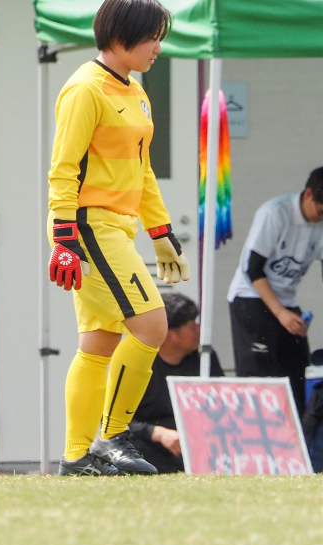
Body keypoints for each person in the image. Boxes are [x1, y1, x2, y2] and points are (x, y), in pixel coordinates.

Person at [47, 0, 191, 476]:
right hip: (89, 226)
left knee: (99, 344)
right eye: (153, 37)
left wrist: (160, 230)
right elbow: (63, 169)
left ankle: (75, 458)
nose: (158, 47)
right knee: (152, 326)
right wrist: (64, 237)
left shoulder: (134, 90)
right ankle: (113, 436)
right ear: (121, 35)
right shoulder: (85, 88)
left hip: (117, 227)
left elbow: (141, 170)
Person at [226, 168, 323, 416]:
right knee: (260, 375)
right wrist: (280, 313)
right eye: (321, 211)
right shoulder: (275, 213)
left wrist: (286, 312)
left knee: (296, 371)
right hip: (251, 296)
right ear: (309, 193)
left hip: (285, 301)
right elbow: (253, 268)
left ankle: (295, 439)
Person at [126, 293, 223, 474]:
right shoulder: (139, 364)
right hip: (152, 445)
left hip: (201, 444)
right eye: (192, 326)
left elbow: (222, 402)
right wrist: (157, 433)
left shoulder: (206, 358)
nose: (199, 330)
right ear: (170, 335)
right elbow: (114, 420)